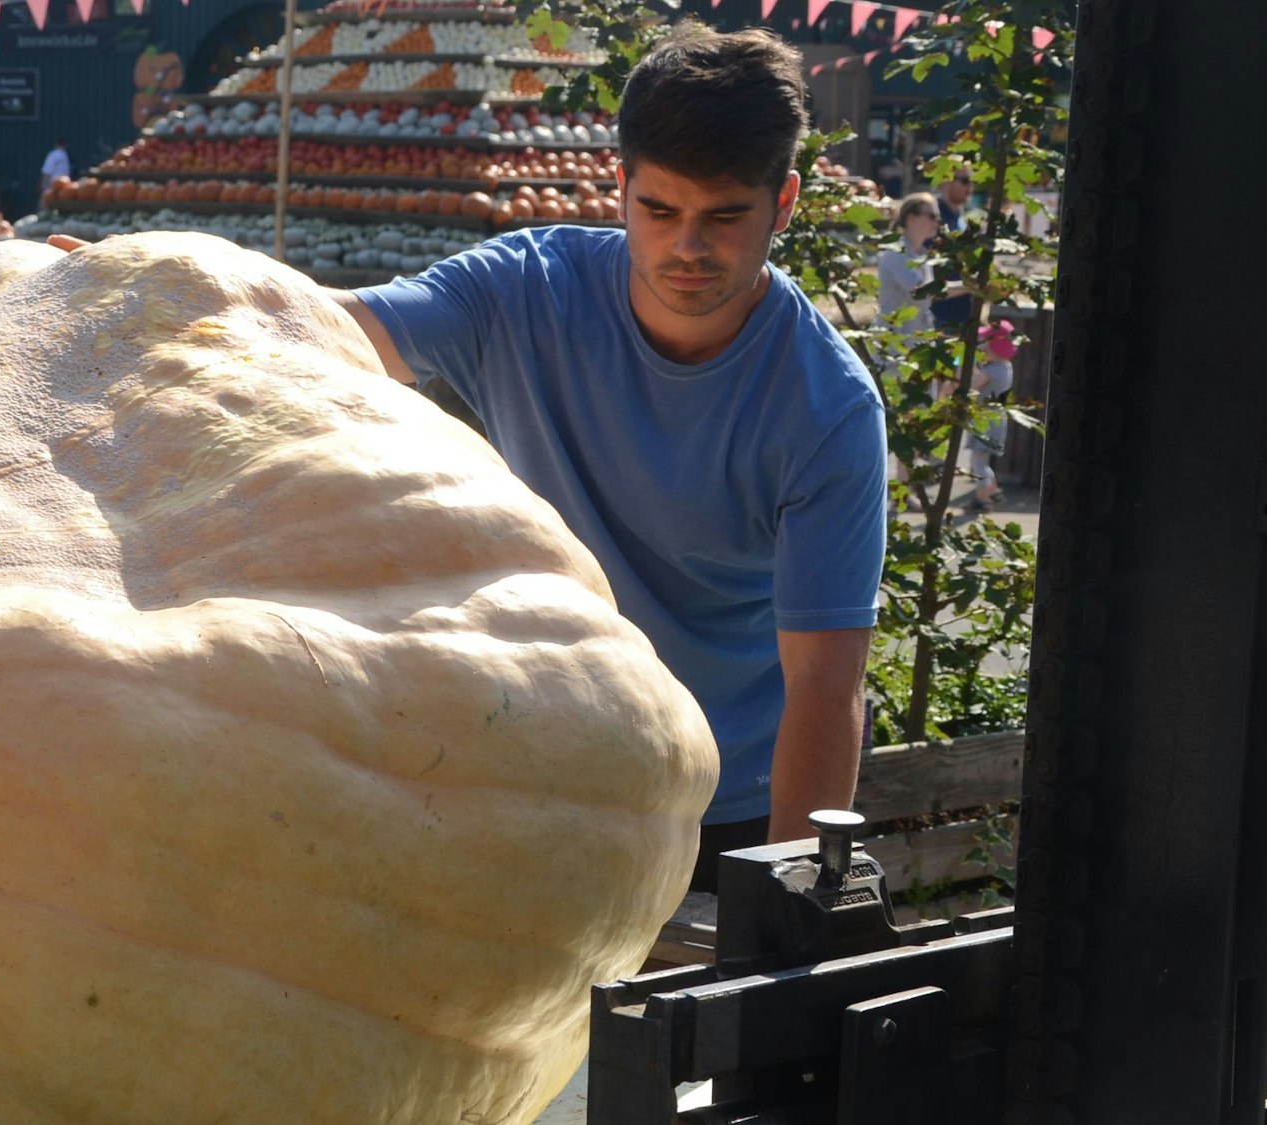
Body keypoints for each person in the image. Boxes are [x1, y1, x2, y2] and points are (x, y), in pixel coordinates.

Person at [329, 23, 886, 893]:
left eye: (725, 216)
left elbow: (823, 684)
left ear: (783, 203)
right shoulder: (521, 288)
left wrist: (788, 897)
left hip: (722, 809)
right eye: (659, 211)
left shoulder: (829, 409)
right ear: (619, 186)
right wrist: (149, 287)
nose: (688, 247)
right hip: (533, 776)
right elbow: (332, 329)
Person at [961, 320, 1018, 512]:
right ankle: (992, 493)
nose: (982, 347)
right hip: (997, 418)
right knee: (983, 461)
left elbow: (971, 388)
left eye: (985, 343)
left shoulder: (990, 370)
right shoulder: (1006, 367)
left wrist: (966, 372)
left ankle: (983, 500)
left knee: (978, 464)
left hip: (983, 420)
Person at [876, 192, 941, 333]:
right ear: (912, 218)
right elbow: (920, 291)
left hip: (918, 336)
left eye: (938, 217)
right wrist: (968, 285)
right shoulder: (894, 253)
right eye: (932, 216)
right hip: (895, 341)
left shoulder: (923, 254)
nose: (937, 222)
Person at [928, 166, 974, 329]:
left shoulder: (962, 219)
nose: (970, 188)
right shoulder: (931, 219)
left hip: (962, 318)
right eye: (964, 181)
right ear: (946, 181)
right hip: (937, 319)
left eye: (973, 182)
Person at [39, 137, 71, 205]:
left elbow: (46, 172)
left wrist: (43, 188)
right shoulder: (61, 155)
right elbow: (47, 172)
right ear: (66, 145)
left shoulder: (55, 155)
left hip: (58, 188)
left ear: (56, 144)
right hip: (55, 188)